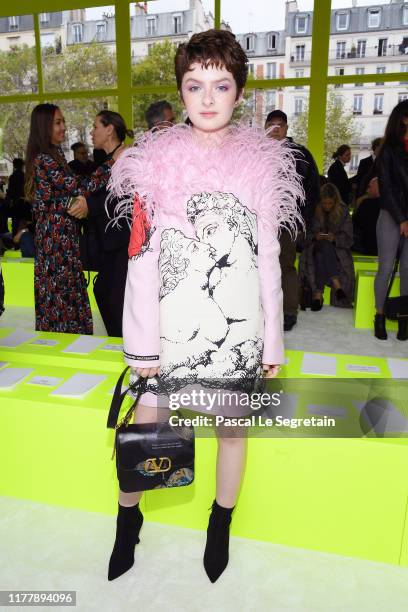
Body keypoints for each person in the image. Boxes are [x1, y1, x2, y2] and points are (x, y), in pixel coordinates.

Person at [107, 28, 302, 584]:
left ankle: (220, 525)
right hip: (170, 334)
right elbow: (141, 261)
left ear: (240, 92)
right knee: (147, 431)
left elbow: (269, 262)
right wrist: (142, 346)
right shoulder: (153, 165)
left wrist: (271, 341)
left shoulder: (262, 167)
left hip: (237, 330)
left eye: (221, 85)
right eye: (196, 86)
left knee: (233, 429)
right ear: (182, 92)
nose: (209, 98)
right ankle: (128, 522)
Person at [25, 103, 117, 334]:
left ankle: (71, 347)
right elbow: (78, 187)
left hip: (63, 241)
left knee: (66, 299)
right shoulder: (44, 159)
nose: (64, 127)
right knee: (61, 300)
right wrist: (113, 162)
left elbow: (69, 193)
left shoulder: (55, 156)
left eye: (63, 122)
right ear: (44, 126)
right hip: (55, 245)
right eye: (58, 122)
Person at [70, 110, 134, 337]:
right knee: (105, 293)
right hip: (107, 244)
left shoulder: (128, 157)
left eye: (96, 126)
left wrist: (91, 205)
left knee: (113, 298)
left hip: (123, 244)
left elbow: (123, 199)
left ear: (109, 129)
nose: (91, 131)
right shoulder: (108, 160)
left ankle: (127, 350)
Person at [265, 109, 320, 331]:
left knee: (286, 266)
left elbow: (312, 190)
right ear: (266, 126)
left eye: (280, 125)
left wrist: (302, 221)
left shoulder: (300, 154)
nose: (276, 129)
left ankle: (289, 312)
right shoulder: (255, 152)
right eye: (272, 124)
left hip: (288, 220)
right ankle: (262, 310)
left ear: (286, 128)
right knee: (258, 267)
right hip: (261, 219)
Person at [374, 99, 408, 341]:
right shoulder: (389, 150)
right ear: (404, 119)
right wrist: (402, 219)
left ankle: (404, 319)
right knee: (386, 268)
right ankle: (380, 315)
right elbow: (387, 189)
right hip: (391, 214)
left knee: (407, 270)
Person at [299, 183, 355, 310]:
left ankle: (318, 295)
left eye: (330, 203)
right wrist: (314, 236)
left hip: (336, 249)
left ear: (335, 202)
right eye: (324, 203)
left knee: (321, 253)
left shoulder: (344, 211)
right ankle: (337, 285)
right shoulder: (314, 210)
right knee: (322, 247)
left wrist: (335, 238)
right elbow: (304, 236)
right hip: (314, 246)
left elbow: (349, 238)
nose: (327, 206)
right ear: (320, 202)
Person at [352, 176, 380, 256]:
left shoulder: (366, 204)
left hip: (366, 246)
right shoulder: (392, 206)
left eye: (369, 187)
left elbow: (355, 223)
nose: (367, 190)